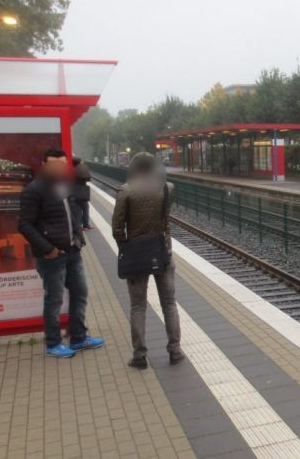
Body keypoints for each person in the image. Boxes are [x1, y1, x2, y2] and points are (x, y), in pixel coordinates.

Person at [18, 148, 105, 358]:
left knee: (80, 293)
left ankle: (78, 337)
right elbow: (24, 224)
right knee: (54, 299)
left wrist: (78, 237)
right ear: (44, 164)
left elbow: (73, 213)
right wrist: (48, 249)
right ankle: (53, 343)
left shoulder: (65, 186)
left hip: (73, 250)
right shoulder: (34, 190)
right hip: (52, 256)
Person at [111, 152, 184, 370]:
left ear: (133, 167)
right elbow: (165, 217)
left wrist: (126, 246)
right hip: (162, 251)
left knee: (138, 306)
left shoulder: (126, 191)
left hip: (136, 254)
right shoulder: (166, 188)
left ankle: (140, 355)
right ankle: (175, 350)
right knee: (169, 303)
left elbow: (117, 227)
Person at [72, 157, 93, 229]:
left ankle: (79, 225)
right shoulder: (81, 170)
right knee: (85, 208)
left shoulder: (71, 170)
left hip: (74, 192)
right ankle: (86, 224)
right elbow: (88, 178)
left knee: (77, 210)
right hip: (82, 192)